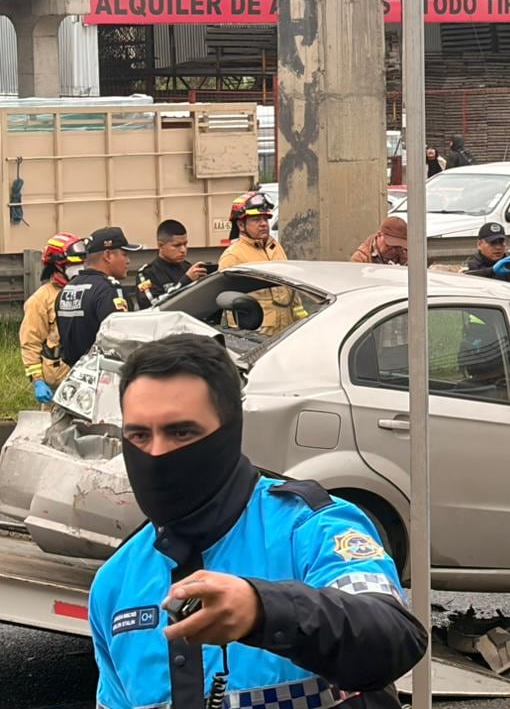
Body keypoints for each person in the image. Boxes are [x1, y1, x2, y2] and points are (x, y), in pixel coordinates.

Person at [89, 334, 428, 709]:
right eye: (138, 435)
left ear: (231, 429)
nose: (156, 453)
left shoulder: (312, 528)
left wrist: (264, 610)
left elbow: (392, 636)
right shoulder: (115, 582)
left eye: (181, 432)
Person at [218, 191, 305, 336]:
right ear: (241, 225)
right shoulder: (233, 256)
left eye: (265, 219)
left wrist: (301, 320)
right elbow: (230, 306)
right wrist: (241, 338)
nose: (264, 224)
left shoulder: (275, 246)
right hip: (258, 339)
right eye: (256, 219)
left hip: (287, 332)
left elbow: (290, 289)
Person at [56, 227, 140, 367]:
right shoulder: (110, 290)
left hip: (75, 376)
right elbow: (122, 341)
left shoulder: (66, 290)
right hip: (105, 376)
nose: (128, 261)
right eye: (124, 254)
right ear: (108, 255)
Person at [20, 233, 83, 405]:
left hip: (85, 375)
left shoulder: (85, 291)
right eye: (72, 264)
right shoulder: (40, 300)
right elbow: (30, 343)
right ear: (57, 266)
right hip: (57, 381)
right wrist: (38, 381)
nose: (79, 268)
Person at [136, 220, 208, 309]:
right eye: (177, 245)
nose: (183, 250)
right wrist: (185, 282)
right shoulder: (147, 273)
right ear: (160, 245)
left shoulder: (188, 268)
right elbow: (152, 305)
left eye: (185, 244)